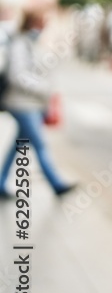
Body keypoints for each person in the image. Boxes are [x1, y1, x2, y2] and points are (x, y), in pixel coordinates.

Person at [0, 10, 76, 198]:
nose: (43, 28)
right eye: (41, 23)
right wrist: (43, 89)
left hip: (31, 104)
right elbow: (18, 76)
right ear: (33, 23)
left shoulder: (30, 43)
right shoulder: (20, 44)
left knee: (19, 145)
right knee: (40, 144)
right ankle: (56, 183)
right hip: (21, 104)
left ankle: (1, 183)